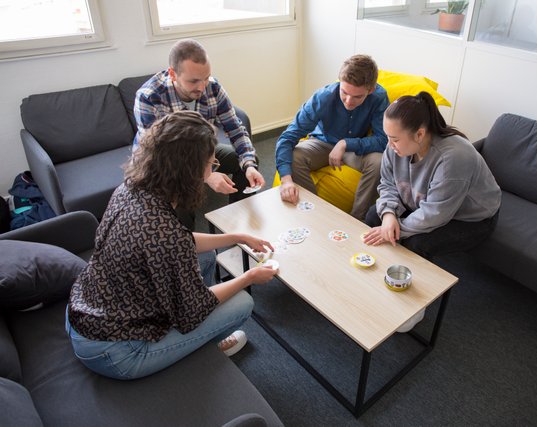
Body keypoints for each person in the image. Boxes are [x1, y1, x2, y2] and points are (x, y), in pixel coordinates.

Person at [66, 111, 278, 380]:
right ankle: (201, 345)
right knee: (242, 302)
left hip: (86, 313)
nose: (213, 167)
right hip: (113, 353)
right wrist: (249, 277)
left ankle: (190, 338)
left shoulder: (131, 188)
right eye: (211, 162)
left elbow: (178, 241)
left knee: (208, 258)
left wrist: (236, 237)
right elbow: (193, 309)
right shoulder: (164, 232)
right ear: (189, 169)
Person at [363, 92, 501, 260]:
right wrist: (389, 215)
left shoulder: (454, 158)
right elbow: (388, 183)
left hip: (470, 218)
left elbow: (435, 213)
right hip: (423, 203)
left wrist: (395, 227)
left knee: (416, 244)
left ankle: (424, 284)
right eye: (388, 137)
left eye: (395, 139)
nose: (389, 145)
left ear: (420, 134)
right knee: (374, 215)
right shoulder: (396, 146)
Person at [134, 38, 264, 206]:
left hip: (198, 150)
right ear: (173, 74)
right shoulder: (149, 97)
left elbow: (236, 129)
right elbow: (158, 154)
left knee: (247, 162)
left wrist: (249, 164)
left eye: (206, 78)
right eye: (193, 81)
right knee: (181, 208)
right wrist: (206, 175)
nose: (202, 87)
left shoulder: (213, 87)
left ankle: (238, 215)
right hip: (162, 163)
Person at [275, 54, 390, 220]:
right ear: (339, 82)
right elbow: (288, 137)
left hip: (354, 149)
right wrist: (286, 180)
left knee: (380, 162)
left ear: (370, 90)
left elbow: (384, 140)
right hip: (322, 142)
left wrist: (345, 143)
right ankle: (316, 214)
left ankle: (357, 220)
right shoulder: (323, 97)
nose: (349, 101)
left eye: (357, 96)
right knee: (295, 156)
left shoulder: (379, 97)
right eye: (344, 92)